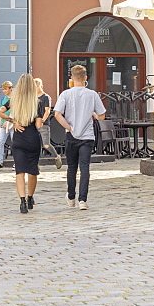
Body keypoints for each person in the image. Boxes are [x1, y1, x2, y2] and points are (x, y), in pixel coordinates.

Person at [54, 65, 105, 211]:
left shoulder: (65, 94)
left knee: (71, 168)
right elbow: (101, 116)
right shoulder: (92, 94)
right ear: (85, 78)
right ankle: (82, 200)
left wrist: (69, 127)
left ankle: (71, 196)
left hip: (71, 135)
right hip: (87, 136)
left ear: (71, 79)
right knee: (85, 168)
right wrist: (93, 115)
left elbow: (57, 114)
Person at [3, 74, 45, 214]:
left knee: (19, 172)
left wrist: (13, 121)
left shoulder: (14, 101)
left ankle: (22, 202)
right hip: (33, 139)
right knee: (32, 171)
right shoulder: (37, 102)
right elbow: (38, 125)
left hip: (19, 139)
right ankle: (30, 197)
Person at [34, 77, 63, 169]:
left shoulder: (46, 97)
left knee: (46, 144)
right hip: (33, 123)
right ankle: (36, 164)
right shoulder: (32, 98)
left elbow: (47, 110)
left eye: (37, 86)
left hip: (44, 124)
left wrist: (43, 120)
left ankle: (56, 156)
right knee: (35, 145)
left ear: (41, 86)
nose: (35, 88)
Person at [0, 80, 13, 170]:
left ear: (10, 88)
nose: (4, 91)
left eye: (5, 89)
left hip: (12, 123)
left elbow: (14, 112)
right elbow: (0, 112)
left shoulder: (14, 99)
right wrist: (0, 123)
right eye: (3, 89)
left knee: (14, 143)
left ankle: (17, 162)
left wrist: (8, 121)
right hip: (3, 124)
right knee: (1, 142)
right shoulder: (2, 99)